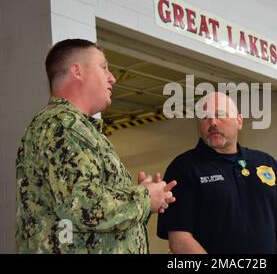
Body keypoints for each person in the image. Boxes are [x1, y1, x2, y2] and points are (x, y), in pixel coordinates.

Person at [15, 39, 176, 253]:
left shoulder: (77, 128)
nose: (113, 78)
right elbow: (83, 206)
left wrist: (141, 195)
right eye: (104, 68)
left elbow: (88, 208)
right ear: (77, 71)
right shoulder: (63, 127)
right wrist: (144, 198)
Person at [157, 92, 277, 253]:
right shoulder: (183, 168)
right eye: (205, 117)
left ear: (239, 121)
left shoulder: (266, 164)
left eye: (220, 115)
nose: (212, 122)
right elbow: (179, 239)